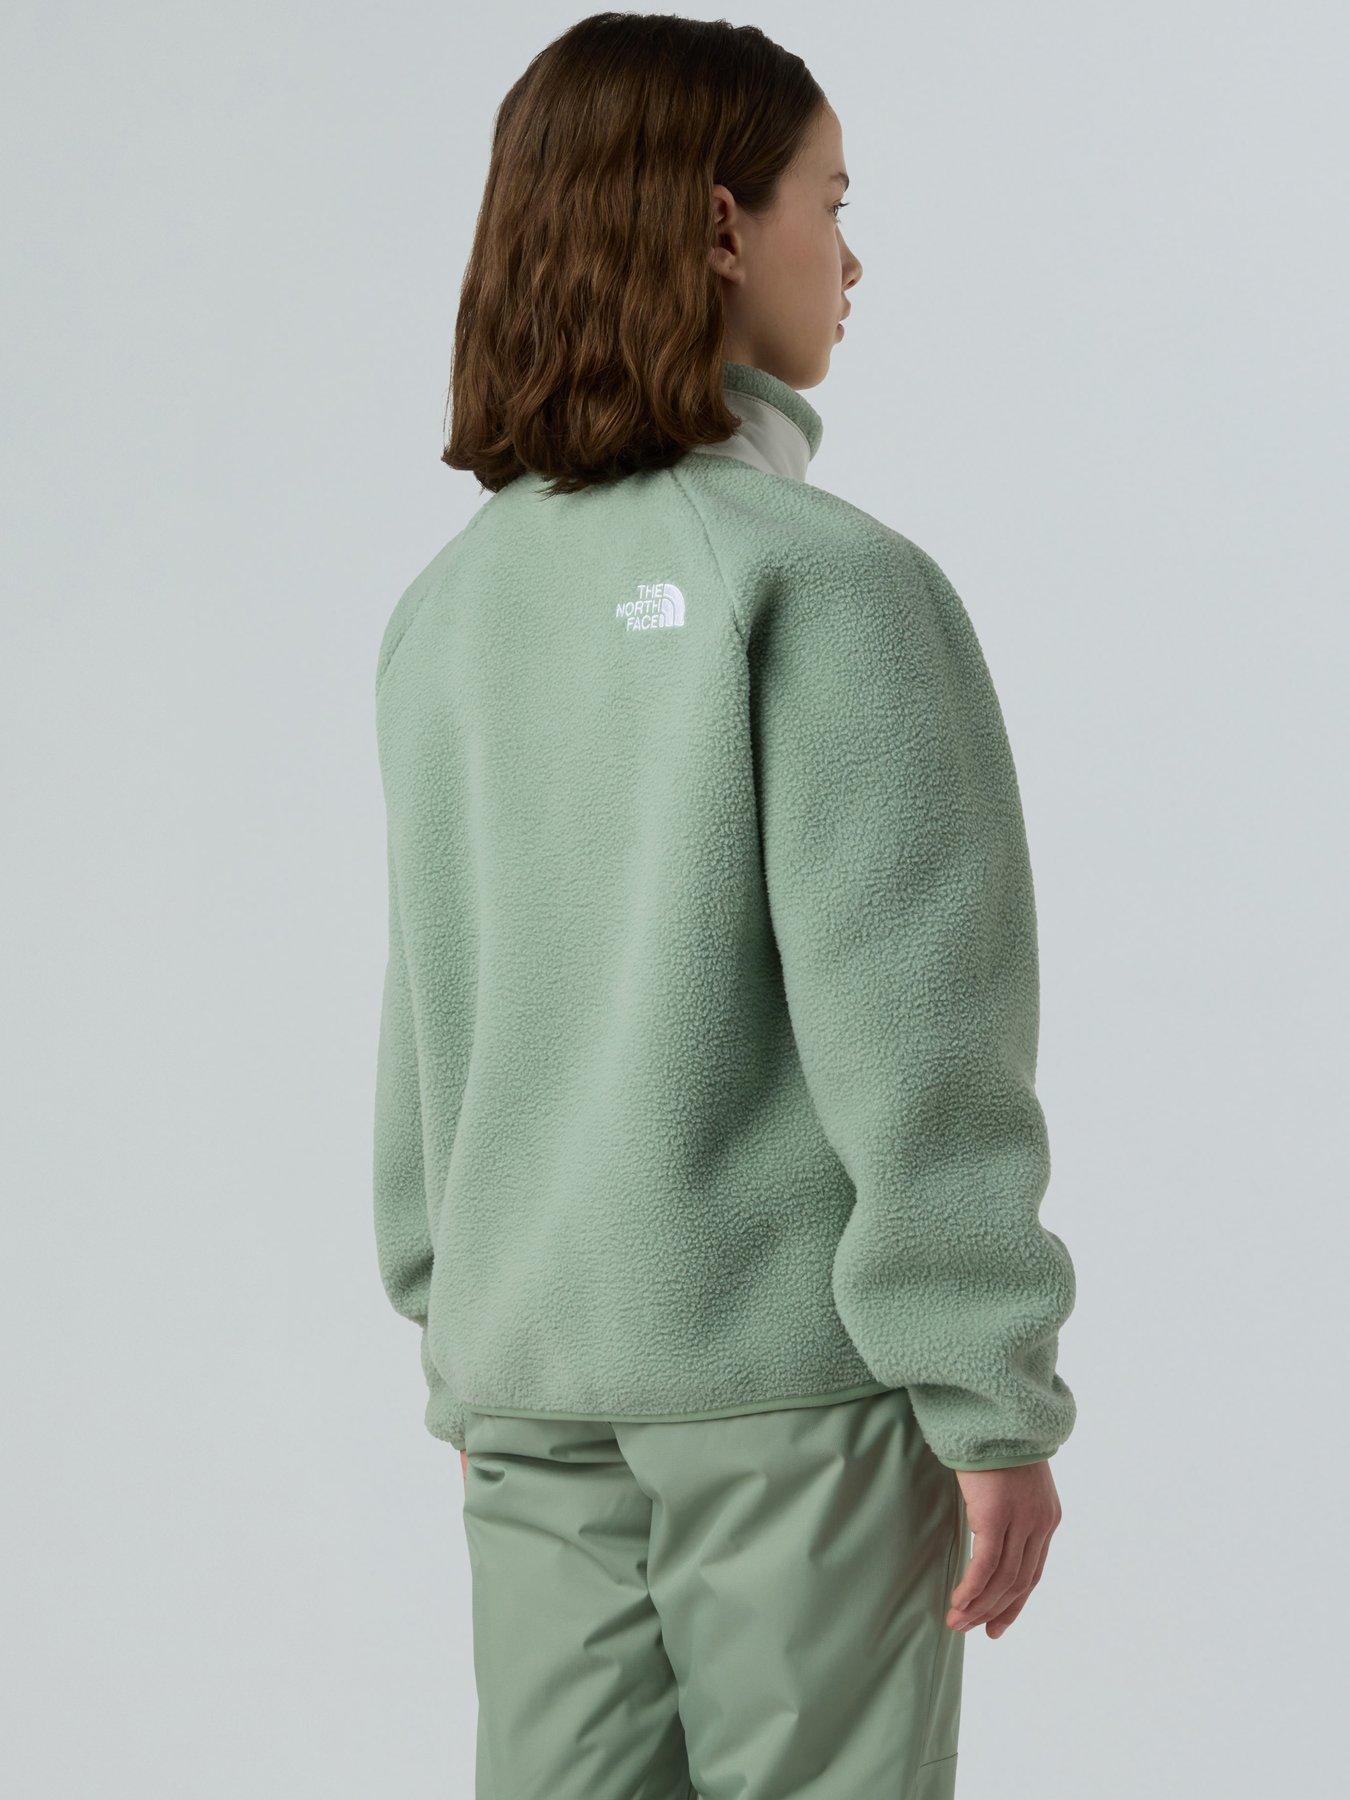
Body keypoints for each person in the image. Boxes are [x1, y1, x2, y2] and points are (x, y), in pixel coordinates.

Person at [372, 13, 1076, 1797]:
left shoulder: (450, 606)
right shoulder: (830, 583)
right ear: (716, 227)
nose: (849, 256)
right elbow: (917, 1027)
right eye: (827, 202)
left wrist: (462, 1333)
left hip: (533, 1384)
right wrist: (985, 1384)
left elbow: (432, 1013)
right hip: (786, 1390)